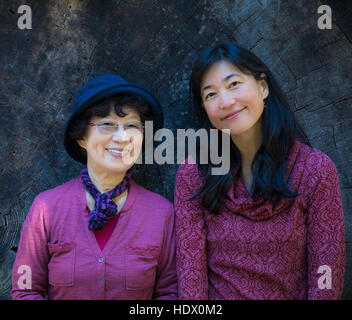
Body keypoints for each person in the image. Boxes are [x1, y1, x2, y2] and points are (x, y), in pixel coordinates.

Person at [174, 42, 345, 300]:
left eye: (233, 84)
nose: (226, 101)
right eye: (211, 94)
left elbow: (326, 280)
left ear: (263, 87)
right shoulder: (193, 174)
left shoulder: (315, 170)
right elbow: (191, 281)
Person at [11, 74, 177, 300]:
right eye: (107, 125)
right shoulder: (45, 208)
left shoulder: (162, 213)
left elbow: (170, 293)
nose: (121, 138)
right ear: (81, 137)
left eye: (132, 126)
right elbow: (25, 289)